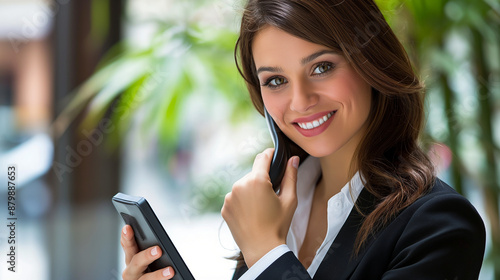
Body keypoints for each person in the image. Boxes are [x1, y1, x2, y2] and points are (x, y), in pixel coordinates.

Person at [120, 0, 486, 279]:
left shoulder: (439, 226)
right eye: (275, 81)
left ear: (371, 63)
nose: (300, 102)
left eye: (322, 67)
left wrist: (266, 251)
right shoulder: (274, 202)